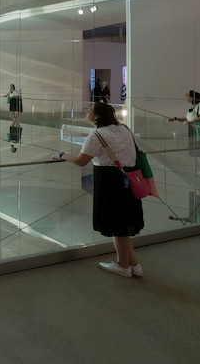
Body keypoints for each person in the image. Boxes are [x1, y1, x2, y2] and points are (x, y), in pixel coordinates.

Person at [53, 103, 144, 277]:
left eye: (90, 110)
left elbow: (81, 161)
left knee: (116, 223)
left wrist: (62, 155)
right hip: (130, 178)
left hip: (110, 180)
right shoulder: (124, 129)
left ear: (97, 116)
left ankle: (123, 266)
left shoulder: (98, 135)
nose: (87, 111)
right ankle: (135, 264)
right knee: (123, 221)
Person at [168, 90, 200, 176]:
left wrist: (193, 121)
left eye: (188, 96)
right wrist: (175, 118)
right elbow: (188, 119)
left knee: (199, 153)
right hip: (196, 132)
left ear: (193, 97)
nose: (186, 98)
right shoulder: (194, 106)